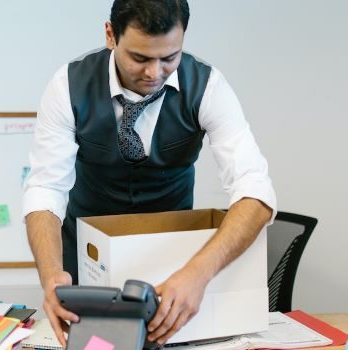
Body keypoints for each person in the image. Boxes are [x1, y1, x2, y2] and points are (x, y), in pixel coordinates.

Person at [22, 0, 276, 346]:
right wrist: (51, 276)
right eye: (140, 58)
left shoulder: (208, 87)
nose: (154, 73)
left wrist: (198, 275)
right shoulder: (67, 85)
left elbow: (256, 192)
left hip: (174, 275)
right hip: (86, 270)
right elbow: (45, 189)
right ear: (111, 35)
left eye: (170, 57)